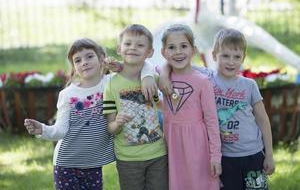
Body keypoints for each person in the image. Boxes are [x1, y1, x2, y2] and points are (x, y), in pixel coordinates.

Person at [24, 38, 158, 190]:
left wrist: (145, 76)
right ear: (74, 67)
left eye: (89, 56)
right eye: (78, 60)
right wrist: (42, 129)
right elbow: (60, 130)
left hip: (94, 163)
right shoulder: (67, 94)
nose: (84, 62)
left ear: (101, 58)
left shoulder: (111, 82)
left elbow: (141, 65)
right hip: (67, 164)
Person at [160, 28, 275, 190]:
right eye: (225, 56)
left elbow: (263, 120)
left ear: (243, 58)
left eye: (237, 57)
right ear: (214, 56)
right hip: (225, 156)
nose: (231, 62)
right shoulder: (206, 77)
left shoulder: (249, 85)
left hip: (252, 153)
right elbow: (172, 63)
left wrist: (269, 154)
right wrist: (164, 76)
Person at [103, 24, 168, 190]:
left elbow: (170, 100)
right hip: (128, 158)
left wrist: (151, 76)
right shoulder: (110, 84)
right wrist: (117, 122)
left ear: (150, 52)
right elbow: (111, 128)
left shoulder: (153, 76)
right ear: (119, 48)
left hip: (158, 154)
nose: (133, 48)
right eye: (128, 44)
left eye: (140, 45)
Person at [159, 24, 222, 190]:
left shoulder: (203, 81)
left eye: (183, 46)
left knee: (200, 183)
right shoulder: (161, 76)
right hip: (172, 143)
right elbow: (144, 68)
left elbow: (211, 120)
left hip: (197, 144)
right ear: (163, 52)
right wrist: (164, 75)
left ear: (193, 50)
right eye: (171, 47)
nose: (178, 52)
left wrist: (215, 156)